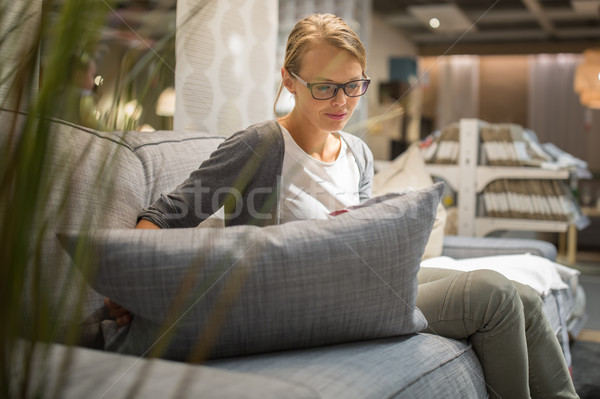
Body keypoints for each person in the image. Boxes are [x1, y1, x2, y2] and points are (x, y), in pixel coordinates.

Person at [106, 13, 578, 399]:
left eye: (354, 86)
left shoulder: (358, 152)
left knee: (526, 297)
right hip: (302, 296)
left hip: (364, 283)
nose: (342, 101)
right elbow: (169, 213)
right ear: (290, 81)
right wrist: (128, 283)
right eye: (325, 87)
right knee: (493, 294)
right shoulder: (262, 145)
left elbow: (372, 233)